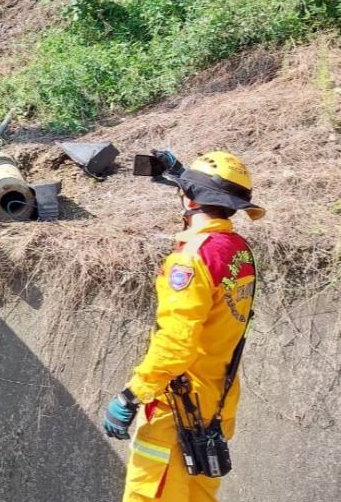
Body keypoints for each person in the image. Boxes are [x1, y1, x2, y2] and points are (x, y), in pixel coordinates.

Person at [102, 151, 262, 502]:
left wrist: (132, 394)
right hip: (216, 403)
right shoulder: (239, 251)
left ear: (189, 200)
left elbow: (177, 342)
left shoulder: (190, 261)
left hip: (176, 410)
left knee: (150, 495)